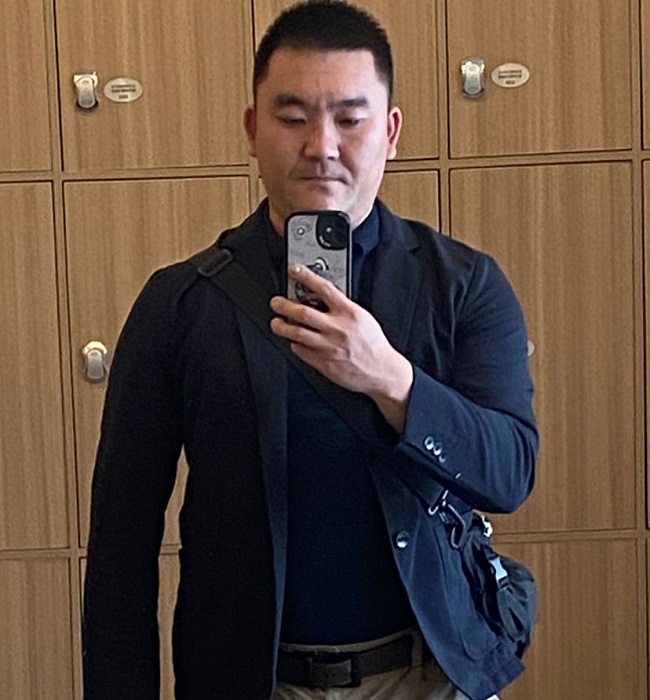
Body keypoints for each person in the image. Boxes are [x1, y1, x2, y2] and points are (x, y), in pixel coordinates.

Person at [82, 1, 538, 699]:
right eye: (293, 118)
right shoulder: (181, 304)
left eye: (350, 120)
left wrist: (393, 381)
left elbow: (508, 474)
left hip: (427, 676)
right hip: (250, 682)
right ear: (252, 129)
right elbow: (122, 539)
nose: (322, 146)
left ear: (390, 133)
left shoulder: (462, 284)